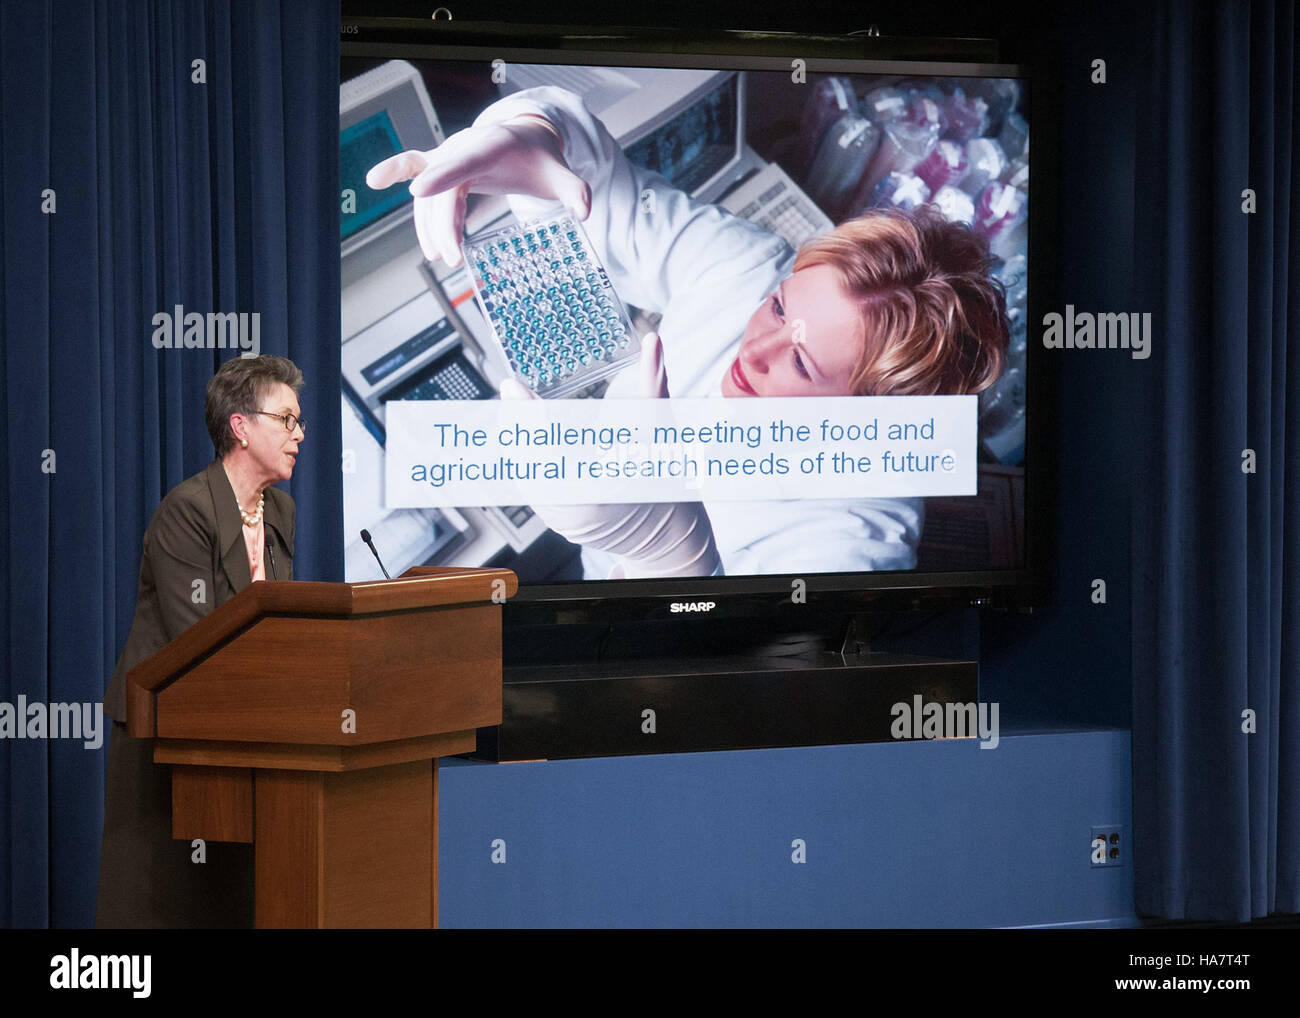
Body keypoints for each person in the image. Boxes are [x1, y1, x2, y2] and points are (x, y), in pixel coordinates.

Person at [367, 85, 1007, 579]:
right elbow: (606, 198)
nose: (753, 350)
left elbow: (736, 701)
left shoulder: (853, 541)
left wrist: (671, 555)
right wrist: (535, 134)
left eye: (803, 365)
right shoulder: (750, 269)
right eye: (781, 309)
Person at [95, 355, 305, 928]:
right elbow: (198, 638)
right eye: (286, 419)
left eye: (299, 420)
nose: (299, 434)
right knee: (155, 898)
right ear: (241, 427)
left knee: (230, 897)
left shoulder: (281, 510)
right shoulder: (188, 511)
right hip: (166, 734)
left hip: (240, 735)